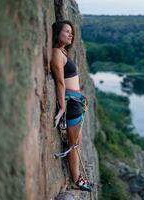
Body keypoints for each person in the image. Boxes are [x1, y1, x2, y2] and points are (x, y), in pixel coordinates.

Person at [50, 20, 91, 192]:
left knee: (77, 142)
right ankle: (77, 179)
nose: (70, 35)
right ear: (57, 32)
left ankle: (78, 176)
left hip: (76, 102)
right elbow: (60, 81)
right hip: (71, 104)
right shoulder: (57, 53)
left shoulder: (63, 52)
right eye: (67, 31)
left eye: (72, 33)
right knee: (74, 144)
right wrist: (61, 107)